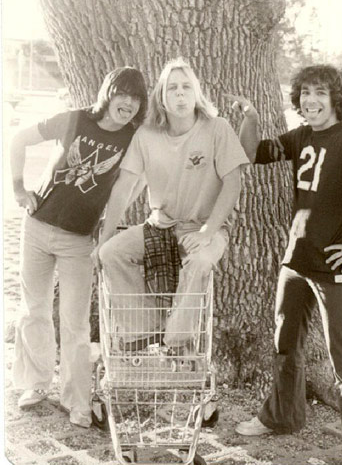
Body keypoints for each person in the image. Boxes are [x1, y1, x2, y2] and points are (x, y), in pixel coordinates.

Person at [229, 64, 342, 465]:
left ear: (336, 98)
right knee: (285, 346)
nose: (311, 100)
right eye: (305, 93)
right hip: (295, 262)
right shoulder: (302, 135)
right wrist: (250, 117)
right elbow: (254, 153)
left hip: (334, 270)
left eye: (319, 93)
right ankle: (283, 417)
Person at [11, 67, 148, 428]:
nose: (129, 103)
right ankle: (35, 384)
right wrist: (17, 189)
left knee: (75, 323)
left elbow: (131, 185)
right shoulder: (74, 120)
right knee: (34, 309)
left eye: (136, 98)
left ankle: (77, 401)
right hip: (37, 226)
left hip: (80, 240)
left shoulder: (133, 139)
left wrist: (107, 229)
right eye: (123, 94)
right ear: (108, 92)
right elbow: (17, 139)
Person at [93, 57, 249, 351]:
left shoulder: (217, 128)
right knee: (112, 252)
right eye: (172, 88)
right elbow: (124, 189)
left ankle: (176, 343)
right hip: (160, 225)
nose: (180, 94)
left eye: (186, 87)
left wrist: (206, 232)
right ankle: (144, 332)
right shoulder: (147, 134)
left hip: (206, 227)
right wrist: (103, 240)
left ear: (197, 94)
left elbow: (234, 183)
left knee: (200, 261)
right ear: (161, 97)